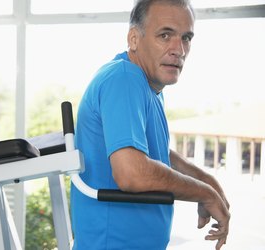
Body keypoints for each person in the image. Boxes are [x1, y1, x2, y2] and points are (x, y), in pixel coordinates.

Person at [70, 0, 230, 249]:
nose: (179, 49)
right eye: (165, 35)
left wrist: (207, 181)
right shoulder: (124, 79)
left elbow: (154, 152)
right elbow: (132, 172)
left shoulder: (148, 89)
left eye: (186, 38)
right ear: (134, 39)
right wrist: (204, 193)